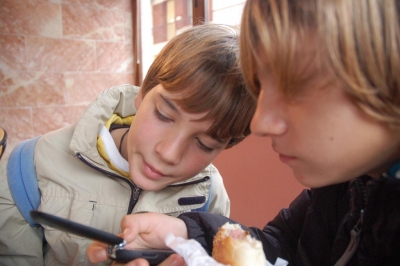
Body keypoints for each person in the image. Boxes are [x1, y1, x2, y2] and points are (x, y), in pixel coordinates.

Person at [87, 0, 400, 265]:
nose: (259, 123)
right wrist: (186, 235)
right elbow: (281, 248)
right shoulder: (343, 187)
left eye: (297, 87)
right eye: (261, 86)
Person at [0, 23, 256, 266]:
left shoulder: (210, 194)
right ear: (143, 92)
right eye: (164, 116)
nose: (168, 154)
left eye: (204, 143)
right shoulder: (26, 171)